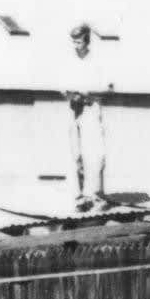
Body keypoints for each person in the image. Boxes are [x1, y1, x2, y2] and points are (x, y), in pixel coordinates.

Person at [62, 22, 111, 211]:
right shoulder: (68, 60)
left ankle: (97, 196)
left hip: (91, 107)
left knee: (97, 153)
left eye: (79, 41)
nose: (76, 45)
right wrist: (70, 94)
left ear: (87, 40)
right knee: (76, 153)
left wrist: (89, 93)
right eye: (73, 41)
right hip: (74, 108)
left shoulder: (97, 60)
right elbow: (61, 85)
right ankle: (79, 197)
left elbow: (108, 87)